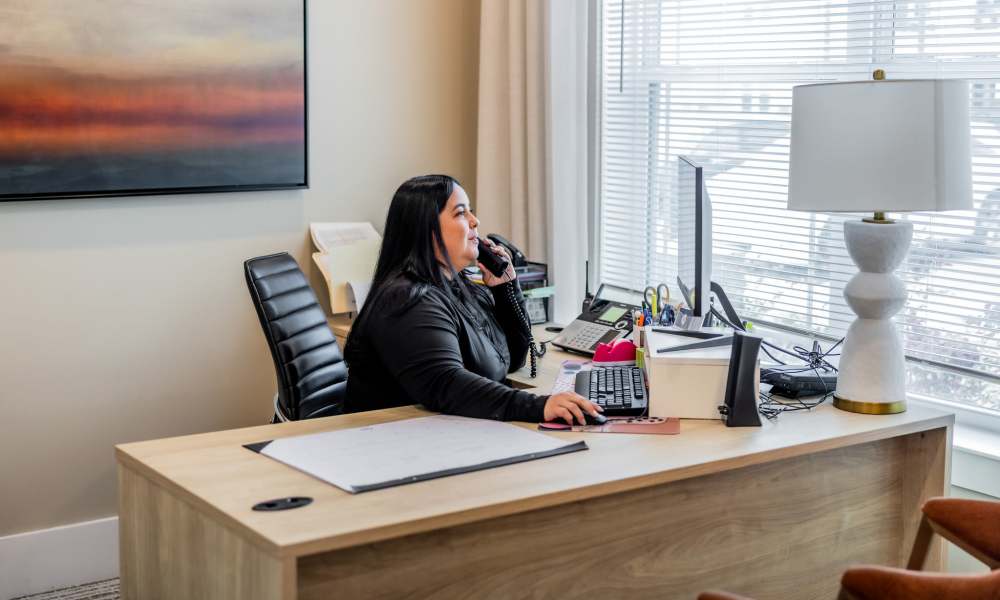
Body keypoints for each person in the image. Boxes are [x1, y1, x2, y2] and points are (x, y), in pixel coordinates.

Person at [343, 174, 601, 424]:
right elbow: (446, 384)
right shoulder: (408, 300)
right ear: (427, 230)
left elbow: (510, 358)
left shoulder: (458, 287)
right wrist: (538, 406)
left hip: (445, 432)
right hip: (395, 444)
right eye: (460, 213)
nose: (475, 221)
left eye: (471, 211)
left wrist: (506, 289)